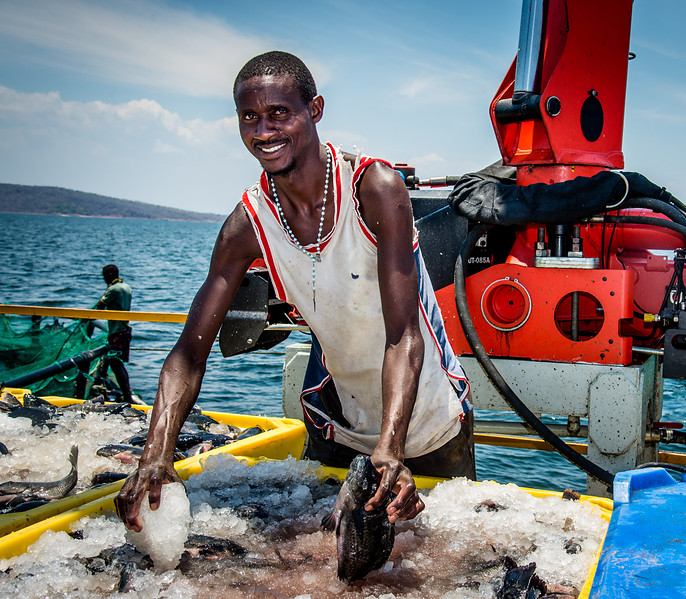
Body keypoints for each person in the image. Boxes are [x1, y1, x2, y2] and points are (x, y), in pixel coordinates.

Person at [115, 51, 474, 532]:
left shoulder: (373, 188)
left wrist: (392, 448)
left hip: (431, 423)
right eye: (250, 117)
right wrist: (156, 455)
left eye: (279, 113)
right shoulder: (248, 224)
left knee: (444, 563)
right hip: (342, 425)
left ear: (315, 110)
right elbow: (188, 354)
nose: (263, 131)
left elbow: (403, 334)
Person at [92, 264, 134, 403]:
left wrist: (107, 289)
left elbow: (100, 306)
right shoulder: (126, 287)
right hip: (125, 330)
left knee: (116, 363)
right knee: (117, 362)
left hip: (116, 331)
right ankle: (125, 393)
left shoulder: (113, 289)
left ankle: (126, 395)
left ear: (109, 276)